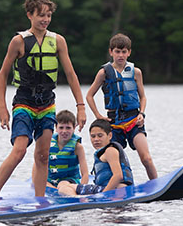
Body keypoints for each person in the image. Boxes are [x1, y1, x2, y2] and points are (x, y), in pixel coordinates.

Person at [0, 0, 87, 197]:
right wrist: (2, 108)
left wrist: (81, 106)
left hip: (47, 104)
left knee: (43, 155)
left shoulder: (58, 41)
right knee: (19, 151)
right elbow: (2, 74)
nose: (45, 19)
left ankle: (39, 200)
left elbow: (71, 75)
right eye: (41, 15)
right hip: (24, 102)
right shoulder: (18, 42)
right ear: (30, 15)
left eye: (49, 15)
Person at [86, 33, 158, 180]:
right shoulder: (103, 73)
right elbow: (89, 96)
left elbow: (143, 97)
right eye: (117, 51)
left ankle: (157, 185)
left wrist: (142, 114)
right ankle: (112, 185)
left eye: (124, 51)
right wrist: (98, 116)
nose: (120, 55)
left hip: (133, 120)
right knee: (113, 160)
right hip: (114, 123)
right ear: (111, 52)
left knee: (146, 158)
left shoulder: (136, 72)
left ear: (129, 52)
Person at [58, 119, 134, 196]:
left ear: (110, 135)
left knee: (64, 188)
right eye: (93, 136)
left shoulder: (110, 151)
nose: (96, 139)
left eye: (100, 136)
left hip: (114, 190)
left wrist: (102, 195)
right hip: (115, 189)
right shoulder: (107, 151)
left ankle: (78, 200)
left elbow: (118, 176)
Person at [31, 109, 89, 189]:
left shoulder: (77, 147)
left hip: (69, 181)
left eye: (68, 128)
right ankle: (55, 190)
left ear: (74, 128)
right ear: (56, 127)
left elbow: (85, 173)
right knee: (43, 183)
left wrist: (81, 189)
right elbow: (37, 165)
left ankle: (70, 194)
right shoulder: (48, 143)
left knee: (62, 185)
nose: (64, 131)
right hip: (51, 181)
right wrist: (35, 183)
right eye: (61, 127)